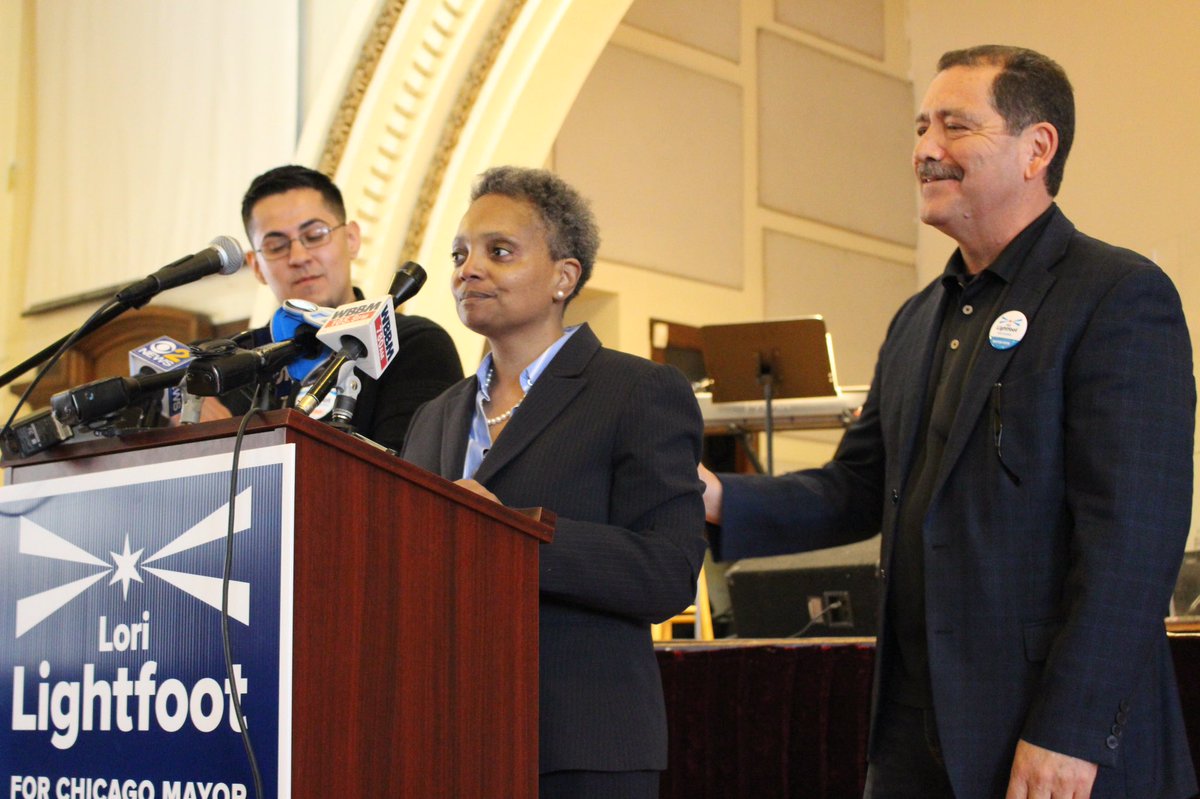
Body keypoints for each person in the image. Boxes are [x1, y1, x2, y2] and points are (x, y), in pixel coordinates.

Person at [701, 45, 1196, 798]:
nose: (926, 149)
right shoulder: (915, 321)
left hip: (1057, 742)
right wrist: (717, 498)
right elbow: (858, 486)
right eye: (922, 126)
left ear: (1038, 148)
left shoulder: (1118, 295)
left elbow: (1131, 542)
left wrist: (1068, 730)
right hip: (911, 737)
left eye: (956, 126)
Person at [401, 166, 707, 798]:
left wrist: (512, 535)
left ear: (564, 277)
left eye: (499, 252)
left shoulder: (639, 392)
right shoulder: (434, 417)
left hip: (581, 745)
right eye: (460, 254)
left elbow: (668, 571)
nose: (468, 269)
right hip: (443, 739)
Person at [209, 164, 463, 451]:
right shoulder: (234, 363)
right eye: (276, 246)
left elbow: (411, 476)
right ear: (256, 266)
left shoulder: (414, 344)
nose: (299, 256)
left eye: (315, 235)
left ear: (352, 239)